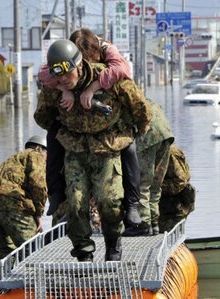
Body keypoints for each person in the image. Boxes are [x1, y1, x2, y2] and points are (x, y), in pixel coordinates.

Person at [34, 39, 151, 262]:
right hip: (76, 151)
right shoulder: (55, 86)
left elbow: (139, 106)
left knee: (109, 200)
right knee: (76, 203)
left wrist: (135, 130)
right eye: (58, 77)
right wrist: (61, 102)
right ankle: (83, 251)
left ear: (79, 65)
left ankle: (113, 244)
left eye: (66, 75)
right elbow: (42, 116)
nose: (63, 80)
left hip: (107, 149)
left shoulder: (107, 77)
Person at [0, 136, 48, 297]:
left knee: (5, 246)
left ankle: (0, 288)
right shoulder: (36, 155)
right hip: (9, 201)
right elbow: (38, 184)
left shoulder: (15, 159)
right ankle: (36, 288)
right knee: (33, 245)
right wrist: (38, 213)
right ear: (41, 148)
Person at [124, 99, 174, 236]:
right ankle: (154, 224)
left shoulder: (124, 101)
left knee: (142, 184)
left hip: (148, 137)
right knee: (155, 185)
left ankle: (144, 224)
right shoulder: (146, 99)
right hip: (165, 134)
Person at [158, 144, 196, 233]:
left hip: (173, 208)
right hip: (162, 206)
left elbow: (180, 182)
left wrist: (154, 188)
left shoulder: (169, 152)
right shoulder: (154, 150)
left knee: (167, 237)